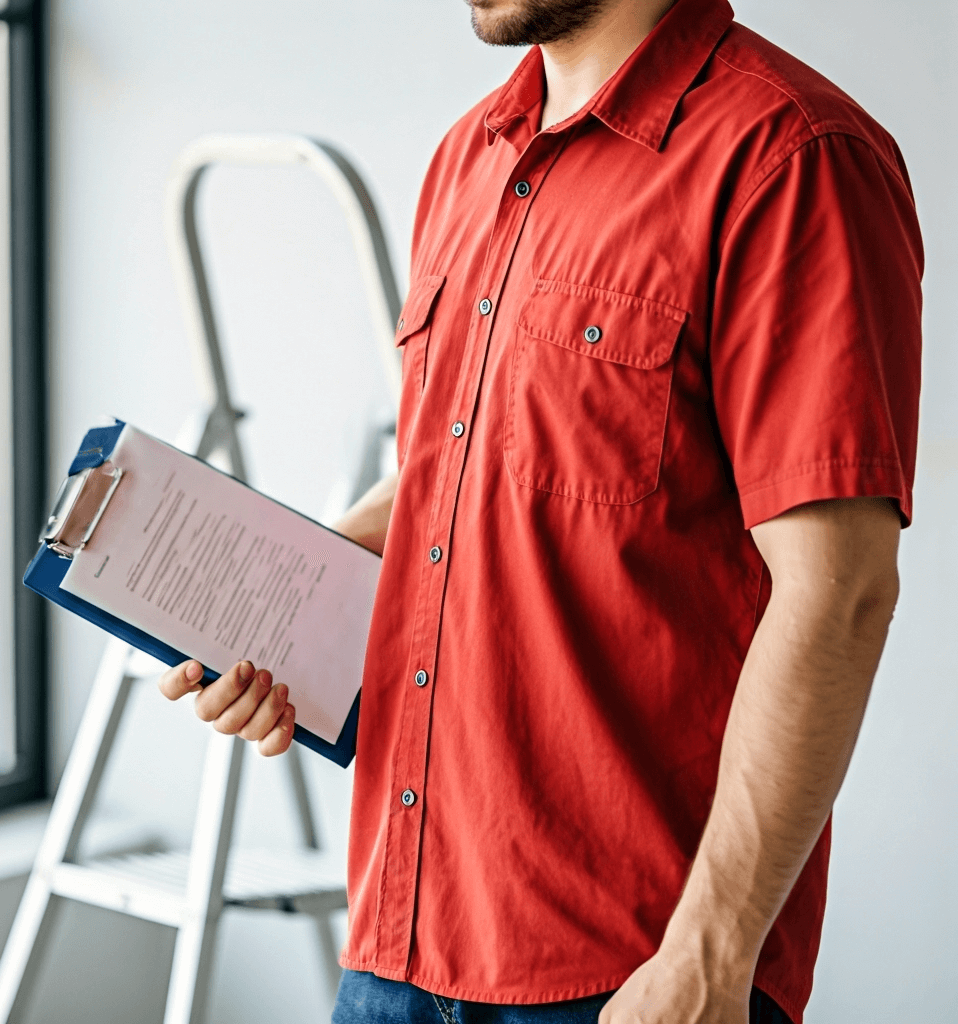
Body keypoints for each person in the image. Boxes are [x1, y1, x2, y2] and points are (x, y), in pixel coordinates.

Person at [158, 0, 923, 1021]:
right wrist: (290, 604)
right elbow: (452, 470)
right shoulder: (466, 158)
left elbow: (839, 591)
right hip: (398, 939)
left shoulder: (791, 158)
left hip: (629, 969)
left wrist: (708, 952)